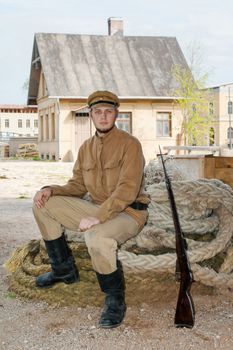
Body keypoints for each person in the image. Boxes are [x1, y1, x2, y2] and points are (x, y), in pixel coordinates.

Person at [33, 90, 150, 328]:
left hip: (128, 212)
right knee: (44, 204)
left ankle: (114, 300)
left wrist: (97, 217)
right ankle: (63, 270)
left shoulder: (130, 144)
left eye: (109, 111)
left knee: (96, 236)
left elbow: (127, 190)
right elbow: (77, 185)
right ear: (91, 115)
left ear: (116, 114)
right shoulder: (86, 147)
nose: (104, 117)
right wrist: (51, 189)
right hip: (97, 208)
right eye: (98, 112)